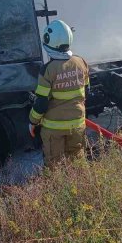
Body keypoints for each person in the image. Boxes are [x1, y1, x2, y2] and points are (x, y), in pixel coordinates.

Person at [28, 19, 90, 165]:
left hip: (54, 128)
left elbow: (41, 103)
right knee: (77, 163)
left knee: (53, 166)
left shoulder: (47, 70)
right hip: (77, 125)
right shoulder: (81, 63)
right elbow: (86, 92)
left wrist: (32, 121)